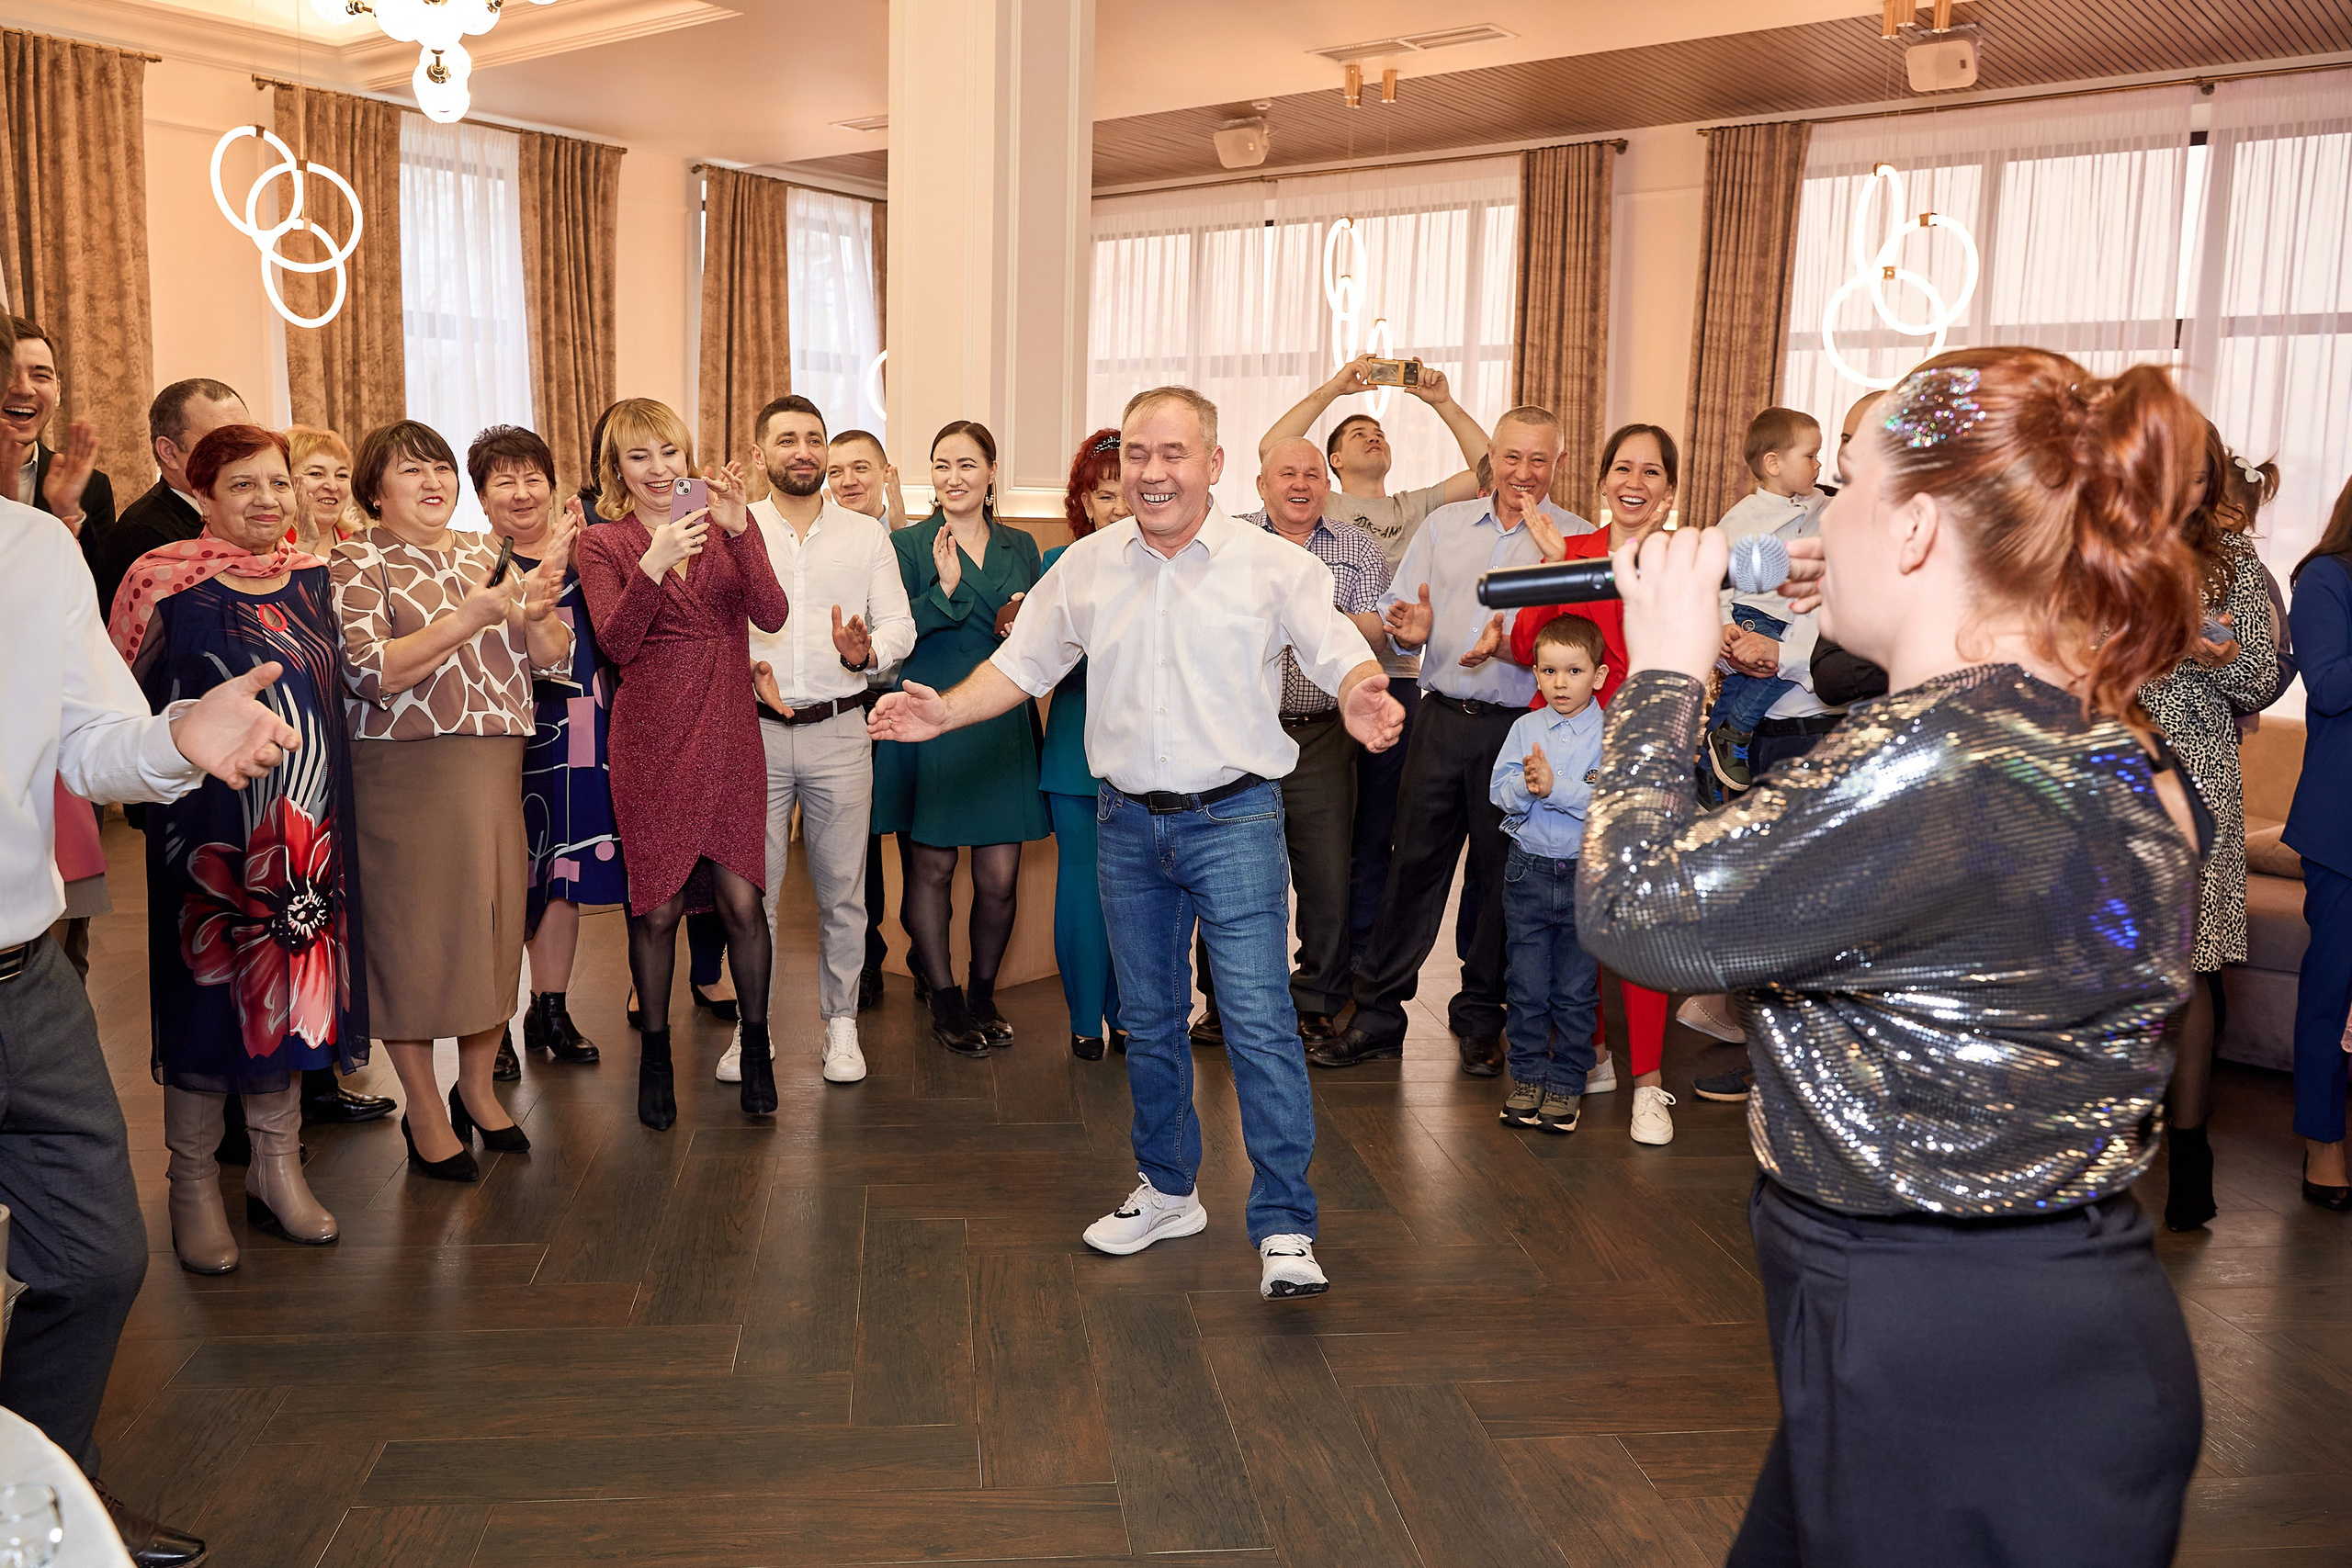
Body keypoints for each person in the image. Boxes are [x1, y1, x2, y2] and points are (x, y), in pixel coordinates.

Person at [1584, 349, 2209, 1564]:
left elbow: (1633, 905)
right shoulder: (2076, 739)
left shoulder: (1935, 764)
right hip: (1977, 1333)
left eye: (1843, 488)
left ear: (1917, 524)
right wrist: (1867, 592)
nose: (1816, 521)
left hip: (1952, 1367)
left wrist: (1662, 667)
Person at [871, 383, 1403, 1298]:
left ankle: (1283, 1226)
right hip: (1123, 823)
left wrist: (1360, 689)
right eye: (1139, 458)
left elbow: (1332, 646)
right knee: (1149, 1022)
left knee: (1260, 1023)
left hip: (1235, 818)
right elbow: (1021, 665)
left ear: (1213, 465)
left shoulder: (1268, 563)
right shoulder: (1084, 564)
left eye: (1174, 455)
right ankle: (1167, 1189)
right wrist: (942, 713)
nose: (1154, 474)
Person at [2, 393, 298, 1567]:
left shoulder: (33, 551)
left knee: (95, 1258)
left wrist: (177, 737)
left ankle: (38, 1505)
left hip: (25, 977)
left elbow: (92, 737)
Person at [106, 423, 363, 1273]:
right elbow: (116, 708)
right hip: (204, 836)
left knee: (293, 993)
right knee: (208, 996)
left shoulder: (317, 580)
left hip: (307, 832)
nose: (266, 499)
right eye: (243, 484)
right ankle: (190, 1185)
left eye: (278, 482)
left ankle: (276, 1169)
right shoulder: (161, 582)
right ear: (204, 496)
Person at [1311, 406, 1588, 1079]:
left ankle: (1480, 1018)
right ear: (1490, 455)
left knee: (1500, 883)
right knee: (1413, 868)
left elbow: (1584, 638)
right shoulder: (1443, 525)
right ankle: (1376, 1014)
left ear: (1559, 462)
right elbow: (1404, 626)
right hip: (1440, 720)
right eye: (1511, 456)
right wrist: (1414, 626)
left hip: (1525, 730)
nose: (1523, 472)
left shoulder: (1578, 540)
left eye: (1539, 460)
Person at [332, 420, 573, 1178]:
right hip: (405, 775)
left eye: (440, 467)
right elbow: (370, 671)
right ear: (376, 489)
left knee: (491, 927)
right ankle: (423, 1107)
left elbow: (549, 656)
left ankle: (475, 1086)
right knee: (412, 939)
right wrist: (469, 616)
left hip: (496, 769)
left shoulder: (483, 549)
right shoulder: (353, 558)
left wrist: (537, 615)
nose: (435, 481)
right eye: (412, 471)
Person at [574, 399, 789, 1128]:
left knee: (741, 900)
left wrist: (742, 532)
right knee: (658, 906)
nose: (660, 469)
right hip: (653, 743)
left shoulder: (723, 518)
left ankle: (756, 1047)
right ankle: (656, 1055)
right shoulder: (602, 544)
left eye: (669, 451)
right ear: (617, 470)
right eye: (639, 457)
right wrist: (652, 564)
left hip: (730, 734)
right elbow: (617, 644)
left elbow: (772, 614)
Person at [1258, 355, 1492, 969]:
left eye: (1378, 430)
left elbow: (1491, 473)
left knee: (1374, 837)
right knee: (1316, 841)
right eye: (1354, 432)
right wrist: (1338, 386)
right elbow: (1274, 448)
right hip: (1318, 701)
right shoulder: (1313, 497)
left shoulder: (1415, 508)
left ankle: (1357, 965)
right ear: (1329, 461)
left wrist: (1440, 400)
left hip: (1401, 682)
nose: (1371, 433)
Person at [1486, 423, 1680, 1144]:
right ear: (1601, 479)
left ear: (1669, 487)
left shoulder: (1677, 562)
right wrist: (1554, 569)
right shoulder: (1566, 548)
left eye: (1651, 471)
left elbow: (1655, 661)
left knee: (1637, 923)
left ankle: (1651, 1083)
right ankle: (1588, 1057)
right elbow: (1536, 643)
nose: (1635, 481)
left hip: (1643, 754)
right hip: (1562, 757)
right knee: (1573, 920)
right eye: (1623, 467)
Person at [732, 394, 911, 1088]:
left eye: (814, 438)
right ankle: (756, 1031)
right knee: (755, 893)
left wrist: (868, 653)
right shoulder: (735, 529)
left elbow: (900, 626)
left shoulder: (866, 536)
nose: (803, 450)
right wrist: (744, 666)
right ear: (760, 454)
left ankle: (843, 1023)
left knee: (844, 892)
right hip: (756, 735)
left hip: (842, 730)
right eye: (787, 439)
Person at [1196, 437, 1389, 1045]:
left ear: (1326, 485)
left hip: (1323, 737)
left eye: (1312, 473)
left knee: (1326, 876)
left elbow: (1374, 638)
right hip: (1239, 733)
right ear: (1261, 485)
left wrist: (1307, 614)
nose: (1300, 484)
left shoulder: (1358, 548)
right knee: (1230, 873)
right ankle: (1227, 1003)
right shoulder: (1227, 542)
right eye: (1287, 473)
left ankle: (1314, 1004)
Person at [2138, 421, 2282, 1232]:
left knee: (2190, 974)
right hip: (2104, 768)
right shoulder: (2097, 552)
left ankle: (2190, 1152)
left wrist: (2217, 656)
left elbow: (2262, 676)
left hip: (2196, 778)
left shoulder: (2232, 565)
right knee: (2102, 964)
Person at [873, 420, 1047, 1055]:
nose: (954, 477)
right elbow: (889, 634)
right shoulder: (907, 544)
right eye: (942, 465)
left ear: (992, 473)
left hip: (998, 718)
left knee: (999, 876)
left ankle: (981, 991)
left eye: (968, 464)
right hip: (931, 714)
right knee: (934, 865)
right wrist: (944, 592)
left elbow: (1037, 636)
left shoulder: (1022, 544)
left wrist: (1021, 624)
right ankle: (943, 997)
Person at [472, 423, 615, 1075]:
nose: (522, 492)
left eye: (533, 477)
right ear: (482, 498)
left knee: (566, 868)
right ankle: (489, 1020)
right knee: (502, 880)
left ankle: (549, 1005)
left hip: (582, 722)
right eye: (505, 481)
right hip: (502, 733)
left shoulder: (591, 553)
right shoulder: (473, 565)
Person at [1490, 614, 1608, 1134]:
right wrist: (1525, 786)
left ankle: (1566, 1084)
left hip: (1587, 875)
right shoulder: (1524, 728)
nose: (1561, 683)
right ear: (1535, 674)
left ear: (1598, 677)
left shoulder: (1611, 733)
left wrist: (1554, 787)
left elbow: (1608, 802)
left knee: (1577, 989)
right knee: (1527, 984)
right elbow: (1499, 791)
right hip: (1529, 872)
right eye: (1549, 671)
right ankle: (1527, 1077)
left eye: (1575, 671)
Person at [1041, 429, 1130, 1060]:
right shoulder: (1058, 565)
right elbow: (1046, 663)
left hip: (1150, 750)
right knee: (1081, 881)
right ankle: (1082, 1019)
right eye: (1105, 496)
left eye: (1129, 493)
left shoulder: (1175, 562)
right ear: (1084, 501)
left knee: (1140, 887)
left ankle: (1131, 1014)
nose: (1120, 508)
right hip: (1074, 745)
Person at [829, 427, 911, 1009]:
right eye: (837, 472)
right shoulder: (827, 542)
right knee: (857, 845)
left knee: (911, 834)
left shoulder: (909, 541)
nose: (847, 481)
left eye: (861, 468)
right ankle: (868, 958)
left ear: (886, 474)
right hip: (851, 708)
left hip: (904, 707)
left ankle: (927, 957)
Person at [1703, 406, 1823, 791]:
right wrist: (1723, 621)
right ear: (1773, 463)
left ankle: (1712, 764)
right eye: (1810, 456)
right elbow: (1716, 573)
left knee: (1752, 683)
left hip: (1787, 618)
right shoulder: (1744, 517)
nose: (1818, 465)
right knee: (1768, 676)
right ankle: (1732, 734)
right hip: (1753, 613)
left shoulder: (1818, 504)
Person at [2290, 474, 2352, 1212]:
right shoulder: (2325, 578)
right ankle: (2322, 1139)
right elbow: (2330, 684)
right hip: (2341, 827)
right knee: (2331, 991)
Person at [94, 378, 249, 615]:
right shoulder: (143, 535)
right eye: (220, 442)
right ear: (169, 452)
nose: (243, 455)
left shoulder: (248, 512)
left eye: (247, 439)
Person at [4, 316, 114, 580]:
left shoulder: (92, 487)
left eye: (40, 376)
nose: (24, 388)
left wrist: (69, 514)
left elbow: (105, 595)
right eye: (6, 373)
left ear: (58, 391)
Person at [285, 425, 357, 558]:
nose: (332, 486)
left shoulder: (358, 545)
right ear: (285, 480)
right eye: (316, 473)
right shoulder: (271, 546)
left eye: (341, 475)